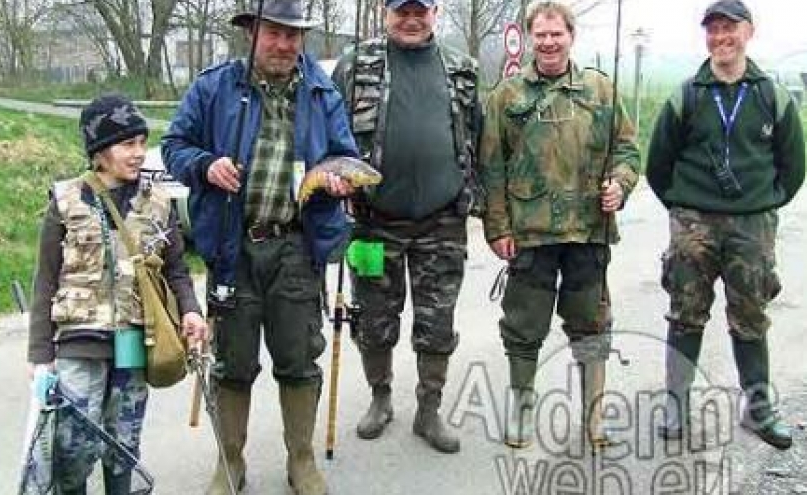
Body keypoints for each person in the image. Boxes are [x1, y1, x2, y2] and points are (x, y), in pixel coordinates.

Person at [161, 0, 358, 493]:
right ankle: (230, 462)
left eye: (294, 36)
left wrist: (339, 179)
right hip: (234, 250)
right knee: (233, 363)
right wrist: (204, 164)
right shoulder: (214, 87)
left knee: (298, 361)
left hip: (296, 248)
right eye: (275, 33)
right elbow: (174, 145)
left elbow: (345, 154)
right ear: (252, 34)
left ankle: (302, 461)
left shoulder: (321, 92)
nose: (285, 44)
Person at [27, 93, 208, 494]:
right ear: (99, 151)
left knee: (123, 443)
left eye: (142, 143)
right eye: (128, 144)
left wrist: (192, 312)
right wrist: (40, 356)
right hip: (78, 343)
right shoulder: (65, 200)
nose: (139, 153)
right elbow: (46, 280)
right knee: (72, 446)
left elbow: (177, 270)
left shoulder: (158, 203)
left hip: (133, 343)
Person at [479, 1, 640, 451]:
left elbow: (627, 151)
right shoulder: (506, 97)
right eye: (541, 34)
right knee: (523, 327)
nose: (549, 42)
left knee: (591, 324)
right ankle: (522, 408)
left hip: (588, 230)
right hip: (529, 235)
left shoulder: (601, 91)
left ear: (571, 36)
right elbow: (490, 167)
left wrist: (620, 185)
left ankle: (593, 415)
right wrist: (497, 228)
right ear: (530, 37)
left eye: (557, 34)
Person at [647, 0, 804, 450]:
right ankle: (676, 404)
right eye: (713, 30)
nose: (721, 38)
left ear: (748, 32)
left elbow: (793, 166)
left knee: (751, 318)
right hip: (692, 227)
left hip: (752, 229)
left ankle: (758, 410)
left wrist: (763, 205)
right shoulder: (687, 94)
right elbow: (658, 165)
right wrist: (684, 208)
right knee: (685, 316)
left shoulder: (771, 95)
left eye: (728, 28)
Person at [331, 0, 482, 454]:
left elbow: (480, 136)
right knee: (374, 321)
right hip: (372, 224)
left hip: (442, 222)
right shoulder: (355, 66)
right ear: (384, 11)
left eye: (421, 9)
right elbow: (328, 135)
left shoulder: (462, 69)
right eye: (402, 10)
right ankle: (380, 398)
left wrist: (485, 207)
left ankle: (429, 409)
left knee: (437, 325)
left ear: (435, 11)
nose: (411, 19)